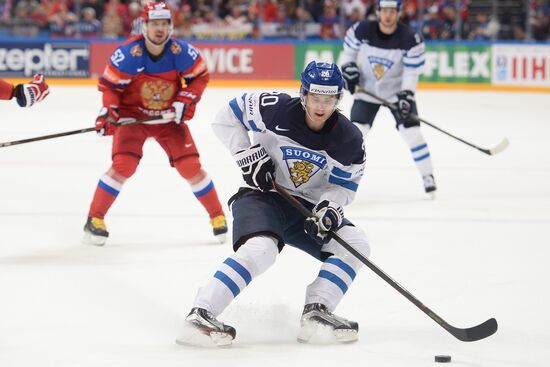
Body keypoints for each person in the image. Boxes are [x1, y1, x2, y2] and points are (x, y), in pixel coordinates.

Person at [178, 61, 370, 347]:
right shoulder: (273, 108)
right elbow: (224, 118)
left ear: (338, 99)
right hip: (262, 196)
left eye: (328, 100)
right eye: (315, 98)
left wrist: (329, 208)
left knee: (354, 244)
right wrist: (247, 155)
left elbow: (343, 185)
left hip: (306, 210)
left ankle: (317, 313)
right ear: (303, 93)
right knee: (261, 249)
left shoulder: (350, 139)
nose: (320, 107)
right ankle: (201, 313)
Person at [83, 1, 227, 246]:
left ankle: (218, 216)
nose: (160, 28)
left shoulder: (182, 53)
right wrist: (109, 111)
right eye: (154, 23)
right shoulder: (128, 54)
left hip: (167, 118)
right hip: (133, 117)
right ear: (145, 25)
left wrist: (186, 99)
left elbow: (200, 78)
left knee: (190, 166)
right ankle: (94, 219)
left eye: (164, 23)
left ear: (170, 26)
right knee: (123, 165)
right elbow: (109, 88)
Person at [340, 0, 436, 197]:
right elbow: (348, 54)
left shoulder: (410, 38)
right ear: (378, 12)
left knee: (412, 133)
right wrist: (348, 68)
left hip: (396, 92)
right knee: (356, 133)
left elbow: (411, 72)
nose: (388, 15)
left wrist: (407, 94)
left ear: (399, 13)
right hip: (367, 91)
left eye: (392, 11)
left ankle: (428, 176)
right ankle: (339, 178)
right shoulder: (362, 29)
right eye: (385, 11)